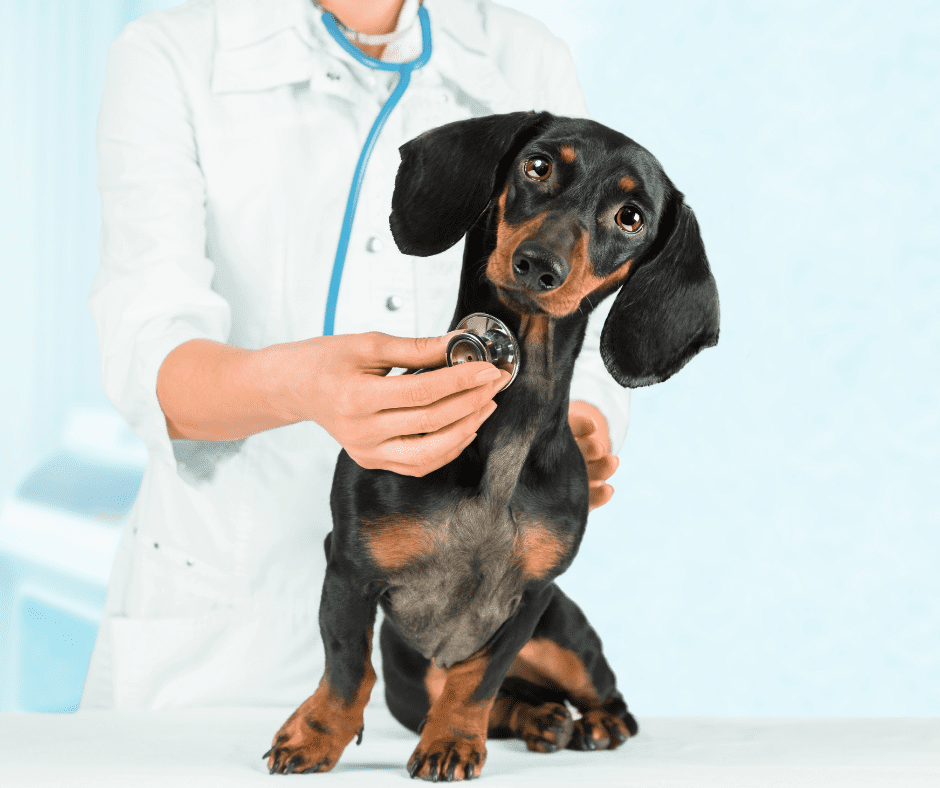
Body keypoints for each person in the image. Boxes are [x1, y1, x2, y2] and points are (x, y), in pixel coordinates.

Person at [81, 0, 630, 710]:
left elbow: (570, 294)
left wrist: (577, 415)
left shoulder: (524, 53)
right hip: (222, 632)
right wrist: (302, 389)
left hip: (444, 625)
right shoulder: (169, 52)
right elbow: (149, 355)